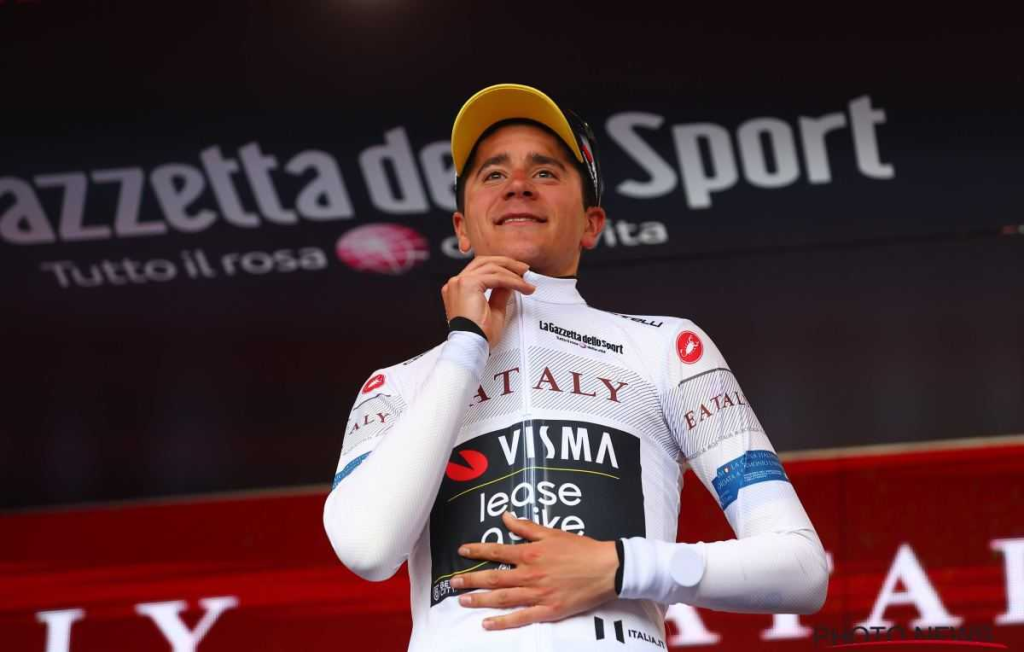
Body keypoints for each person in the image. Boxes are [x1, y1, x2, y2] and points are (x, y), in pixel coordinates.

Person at [323, 83, 828, 651]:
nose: (518, 184)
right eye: (493, 173)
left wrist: (620, 565)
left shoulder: (667, 347)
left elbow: (801, 568)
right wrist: (464, 347)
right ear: (461, 227)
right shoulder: (396, 386)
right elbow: (367, 549)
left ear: (592, 223)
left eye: (545, 171)